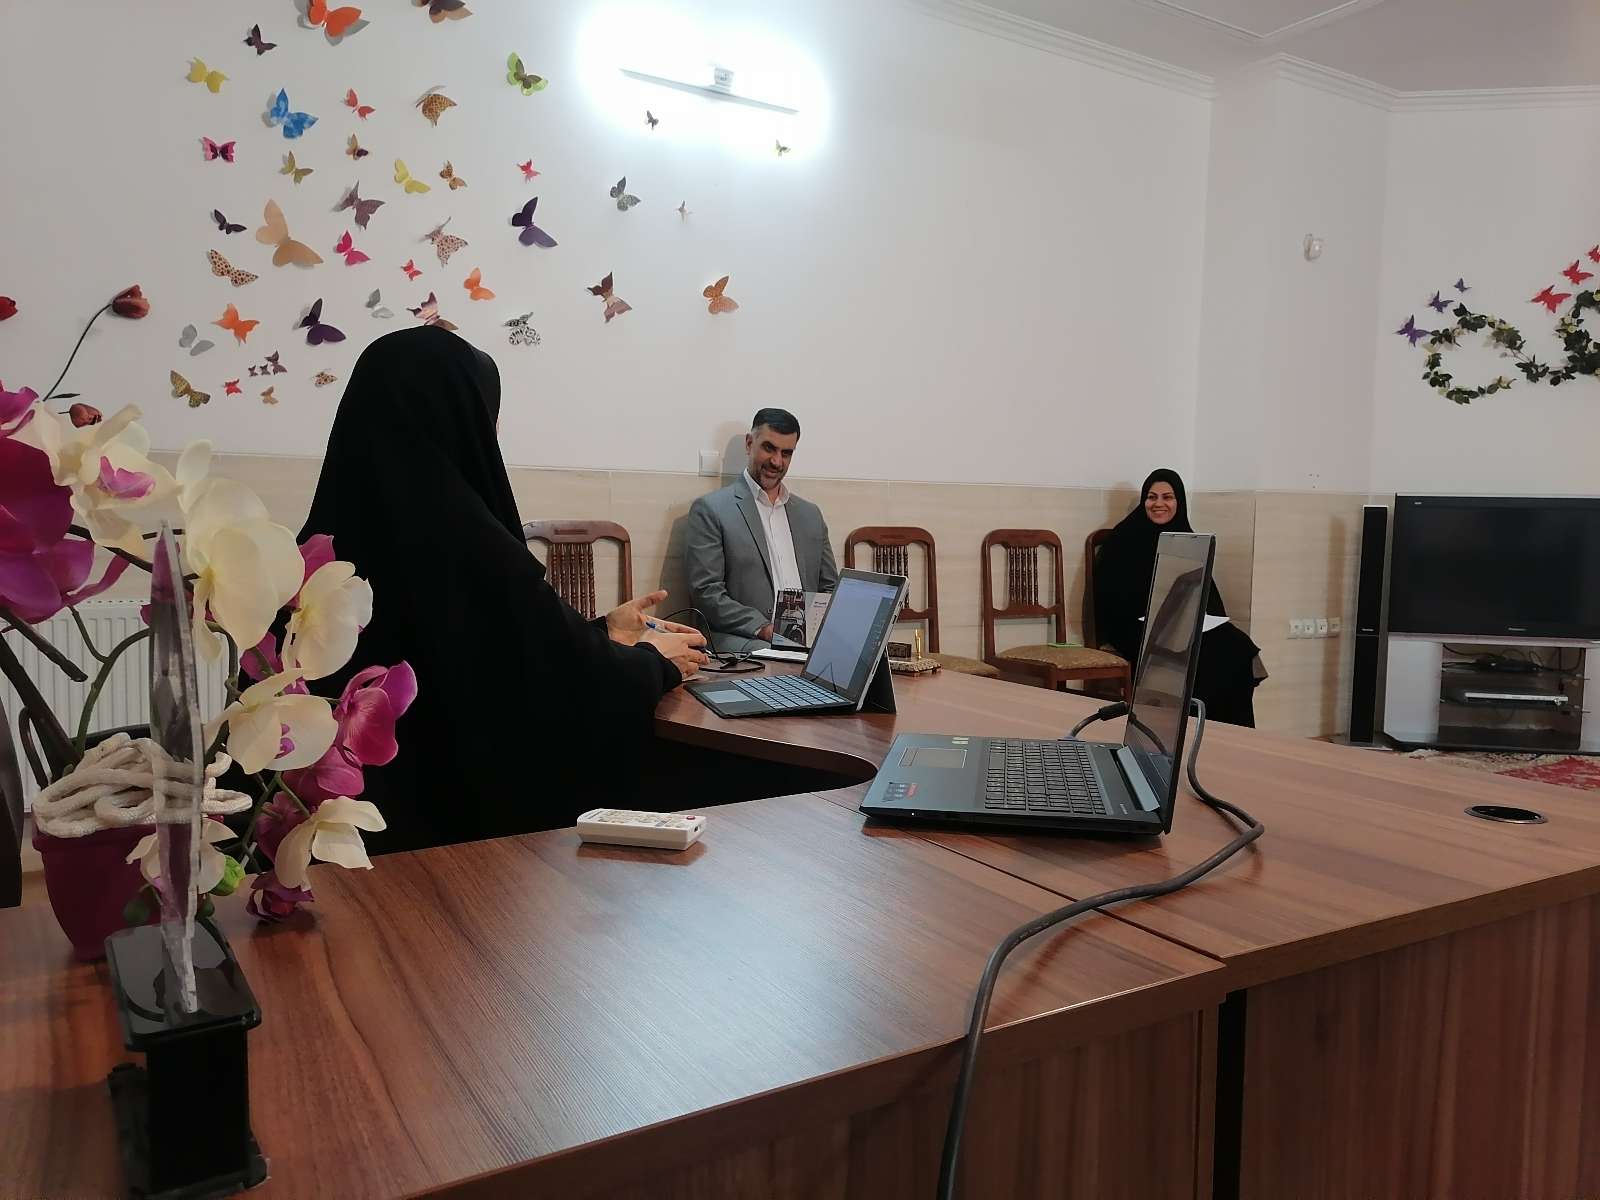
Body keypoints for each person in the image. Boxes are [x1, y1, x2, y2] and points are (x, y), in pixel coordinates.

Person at [296, 327, 708, 854]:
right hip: (457, 855)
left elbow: (499, 651)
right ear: (463, 422)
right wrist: (656, 662)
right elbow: (559, 684)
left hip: (330, 846)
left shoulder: (314, 553)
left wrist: (604, 629)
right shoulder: (470, 543)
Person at [1093, 468, 1265, 727]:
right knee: (1201, 654)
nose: (1158, 504)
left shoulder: (1186, 538)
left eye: (1167, 497)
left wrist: (1205, 619)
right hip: (1136, 626)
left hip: (1181, 623)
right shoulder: (1123, 538)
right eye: (1152, 497)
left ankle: (1233, 731)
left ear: (1179, 502)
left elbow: (1205, 592)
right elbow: (1111, 600)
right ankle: (1192, 727)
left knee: (1236, 645)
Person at [685, 408, 839, 654]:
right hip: (745, 639)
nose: (777, 461)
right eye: (769, 448)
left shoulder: (811, 515)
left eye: (786, 453)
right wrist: (766, 628)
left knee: (868, 659)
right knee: (781, 661)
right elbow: (706, 592)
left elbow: (830, 588)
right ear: (749, 444)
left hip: (805, 641)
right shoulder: (711, 510)